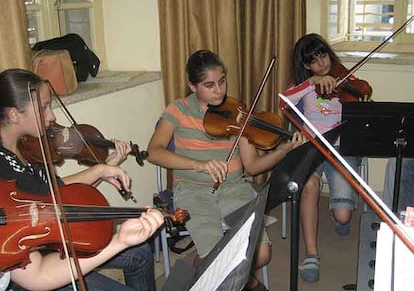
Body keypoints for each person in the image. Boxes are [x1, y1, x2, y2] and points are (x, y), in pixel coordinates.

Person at [147, 50, 305, 291]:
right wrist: (199, 164)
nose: (219, 91)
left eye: (222, 81)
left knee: (261, 253)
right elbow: (154, 152)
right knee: (220, 259)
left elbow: (252, 166)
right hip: (193, 191)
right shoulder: (177, 110)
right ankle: (236, 279)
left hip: (233, 188)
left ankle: (216, 273)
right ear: (192, 85)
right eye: (209, 85)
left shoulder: (237, 112)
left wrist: (283, 150)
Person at [0, 68, 164, 291]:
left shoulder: (28, 146)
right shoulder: (4, 175)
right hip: (35, 254)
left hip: (53, 233)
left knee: (140, 252)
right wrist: (100, 170)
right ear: (13, 115)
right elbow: (36, 272)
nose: (52, 117)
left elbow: (62, 194)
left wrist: (107, 167)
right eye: (43, 108)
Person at [281, 33, 370, 282]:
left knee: (343, 215)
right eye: (314, 60)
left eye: (323, 55)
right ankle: (311, 253)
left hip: (341, 148)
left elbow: (361, 97)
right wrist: (312, 82)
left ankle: (339, 214)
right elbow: (284, 102)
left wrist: (361, 103)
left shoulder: (345, 77)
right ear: (306, 66)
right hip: (311, 148)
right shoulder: (305, 85)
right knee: (308, 185)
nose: (322, 63)